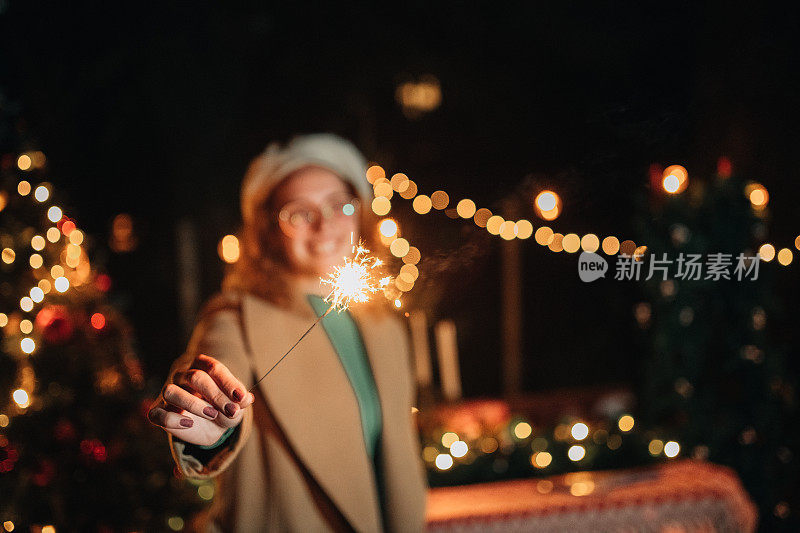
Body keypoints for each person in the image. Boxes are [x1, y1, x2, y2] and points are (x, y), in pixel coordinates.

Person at [148, 134, 427, 532]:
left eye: (338, 205)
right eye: (299, 213)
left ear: (360, 212)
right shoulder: (235, 318)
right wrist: (207, 428)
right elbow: (215, 378)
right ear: (267, 231)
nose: (326, 224)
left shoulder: (385, 325)